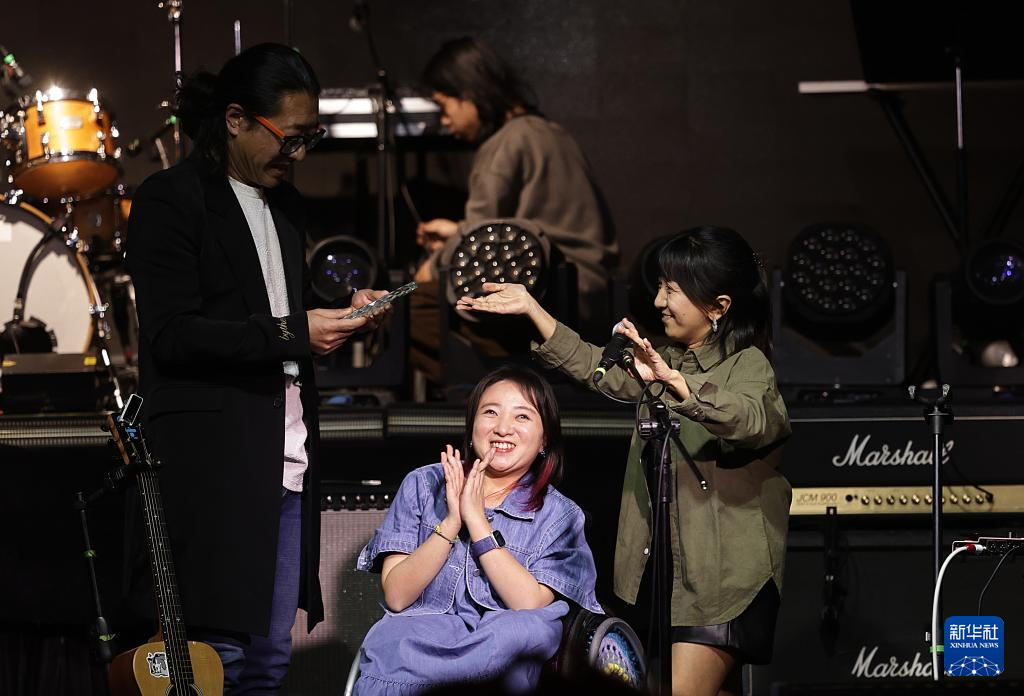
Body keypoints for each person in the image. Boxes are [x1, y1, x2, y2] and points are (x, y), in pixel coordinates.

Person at [127, 43, 389, 691]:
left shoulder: (286, 205)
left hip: (286, 453)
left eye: (309, 139)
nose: (296, 154)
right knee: (219, 656)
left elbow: (272, 309)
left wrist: (343, 312)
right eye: (289, 137)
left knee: (270, 660)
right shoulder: (171, 199)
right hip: (214, 461)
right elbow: (173, 336)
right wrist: (297, 331)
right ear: (236, 120)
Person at [457, 227, 792, 696]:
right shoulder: (667, 360)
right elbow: (592, 365)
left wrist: (680, 387)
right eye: (661, 286)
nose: (659, 301)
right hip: (673, 575)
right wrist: (533, 309)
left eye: (672, 290)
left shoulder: (748, 365)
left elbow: (753, 420)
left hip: (723, 580)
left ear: (718, 307)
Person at [353, 365, 603, 695]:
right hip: (418, 645)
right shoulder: (423, 484)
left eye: (522, 416)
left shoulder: (560, 515)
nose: (503, 428)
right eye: (490, 412)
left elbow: (529, 603)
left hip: (500, 648)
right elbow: (397, 596)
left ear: (545, 438)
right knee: (396, 639)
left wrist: (478, 523)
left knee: (517, 632)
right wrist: (452, 522)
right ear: (472, 426)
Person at [409, 37, 619, 381]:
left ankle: (500, 382)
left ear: (470, 94)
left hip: (550, 299)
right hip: (591, 297)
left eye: (445, 107)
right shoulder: (552, 132)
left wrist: (432, 265)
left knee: (406, 308)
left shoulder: (501, 146)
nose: (444, 122)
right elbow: (534, 223)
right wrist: (456, 230)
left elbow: (476, 252)